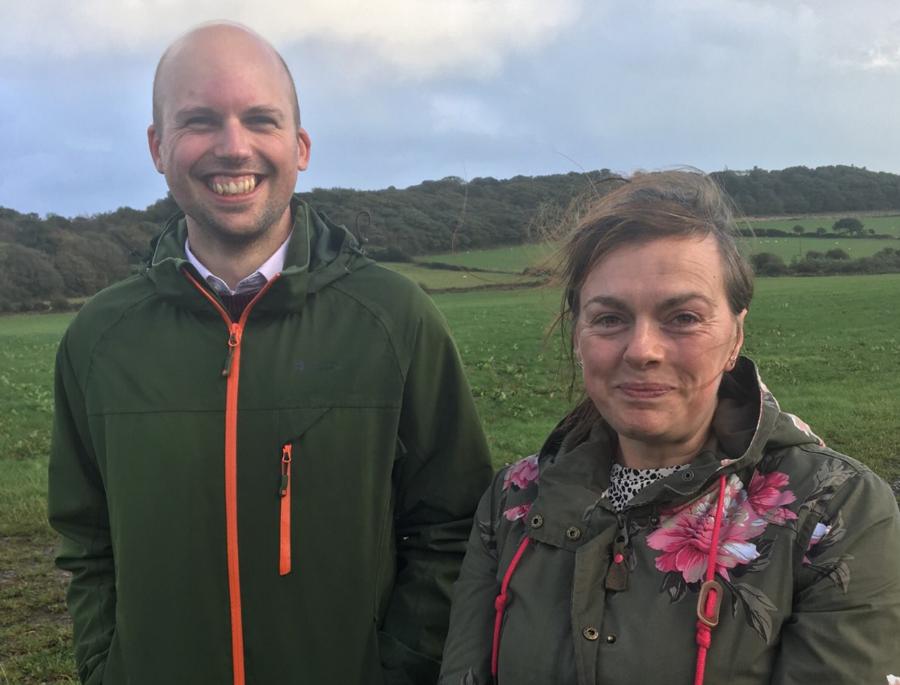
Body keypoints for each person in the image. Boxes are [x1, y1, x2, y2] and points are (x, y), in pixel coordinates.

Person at [48, 22, 492, 685]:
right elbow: (87, 541)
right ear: (156, 145)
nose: (234, 147)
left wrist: (399, 670)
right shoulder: (99, 340)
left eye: (261, 119)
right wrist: (107, 664)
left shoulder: (395, 320)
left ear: (300, 144)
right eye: (200, 120)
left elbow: (454, 525)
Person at [439, 171, 900, 684]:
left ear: (735, 335)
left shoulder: (835, 510)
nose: (642, 351)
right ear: (578, 335)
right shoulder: (513, 500)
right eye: (609, 318)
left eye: (682, 317)